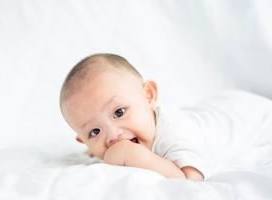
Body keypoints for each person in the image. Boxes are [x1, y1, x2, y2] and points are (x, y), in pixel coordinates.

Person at [59, 53, 272, 181]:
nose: (113, 136)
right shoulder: (116, 138)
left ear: (149, 96)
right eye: (94, 132)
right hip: (221, 105)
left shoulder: (174, 136)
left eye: (119, 112)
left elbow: (190, 180)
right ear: (82, 140)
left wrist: (134, 156)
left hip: (254, 115)